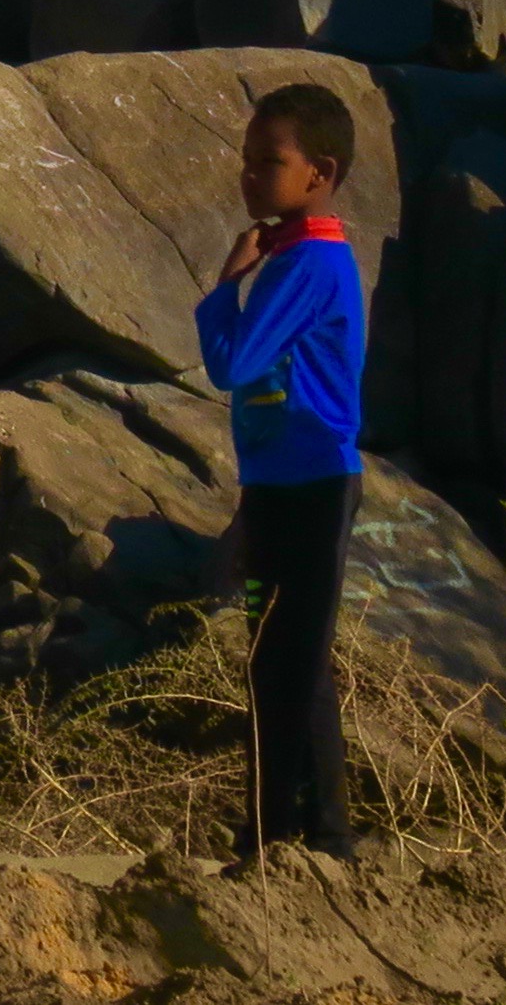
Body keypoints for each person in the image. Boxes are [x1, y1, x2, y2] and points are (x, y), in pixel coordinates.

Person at [194, 83, 368, 864]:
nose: (250, 177)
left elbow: (234, 366)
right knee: (291, 659)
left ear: (319, 173)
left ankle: (274, 838)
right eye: (245, 161)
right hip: (280, 490)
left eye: (271, 162)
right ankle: (321, 835)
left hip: (312, 491)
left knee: (284, 666)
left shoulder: (308, 264)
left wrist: (224, 290)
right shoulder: (299, 257)